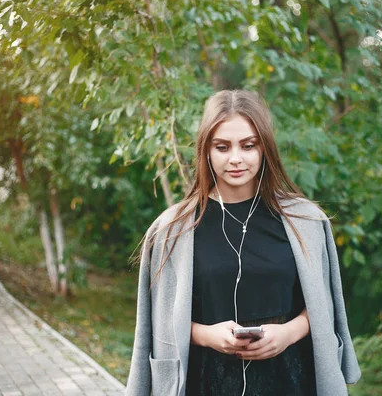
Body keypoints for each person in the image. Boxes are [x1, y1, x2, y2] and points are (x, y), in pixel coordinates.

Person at [126, 90, 361, 396]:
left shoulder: (307, 221)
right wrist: (206, 335)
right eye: (222, 147)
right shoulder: (171, 229)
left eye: (248, 146)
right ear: (206, 151)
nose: (235, 158)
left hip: (291, 381)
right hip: (205, 381)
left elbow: (324, 306)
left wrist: (289, 333)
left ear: (264, 148)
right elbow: (156, 321)